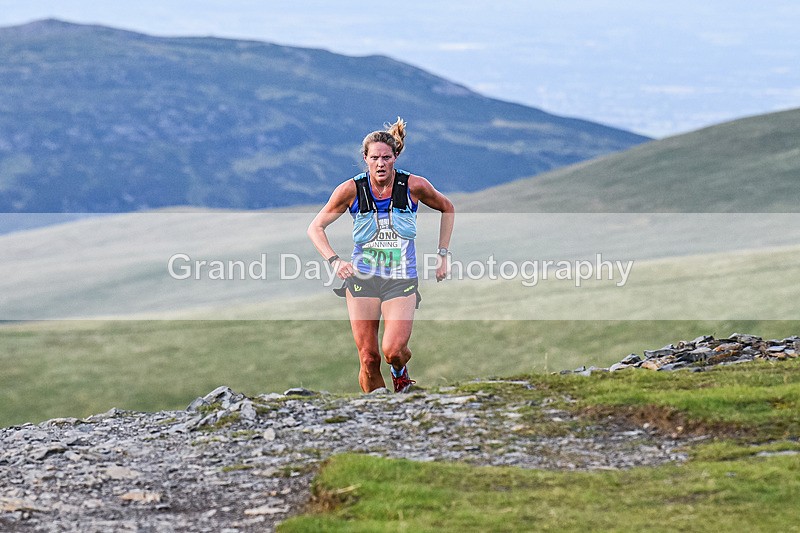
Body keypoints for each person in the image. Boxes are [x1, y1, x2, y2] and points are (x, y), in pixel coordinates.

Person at [307, 117, 455, 393]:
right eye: (374, 158)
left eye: (386, 157)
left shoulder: (414, 186)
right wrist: (335, 260)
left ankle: (400, 371)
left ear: (395, 156)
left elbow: (447, 208)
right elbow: (315, 227)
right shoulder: (350, 190)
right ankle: (379, 412)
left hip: (401, 280)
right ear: (365, 158)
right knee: (368, 358)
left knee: (393, 350)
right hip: (363, 280)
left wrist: (442, 254)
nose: (381, 163)